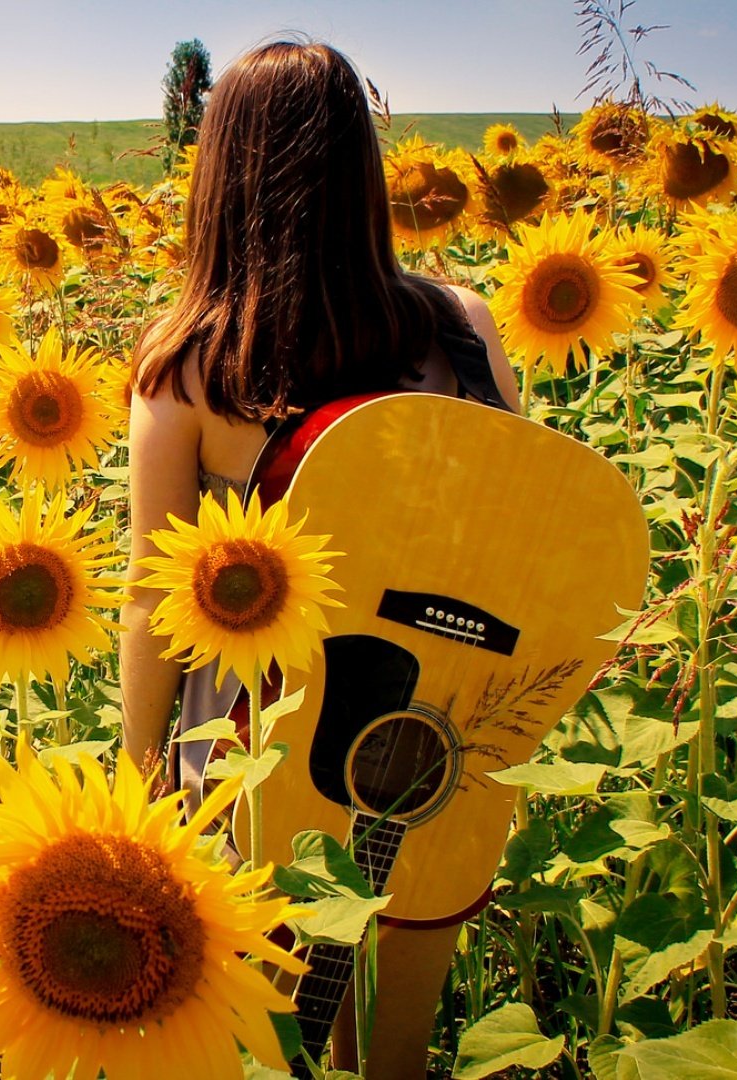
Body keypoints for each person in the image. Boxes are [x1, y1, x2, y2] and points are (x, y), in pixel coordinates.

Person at [118, 38, 521, 1080]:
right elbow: (529, 528)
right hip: (441, 735)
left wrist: (138, 767)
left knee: (269, 1043)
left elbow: (153, 597)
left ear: (220, 176)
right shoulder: (462, 329)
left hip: (259, 751)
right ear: (362, 169)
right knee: (393, 1046)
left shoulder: (189, 365)